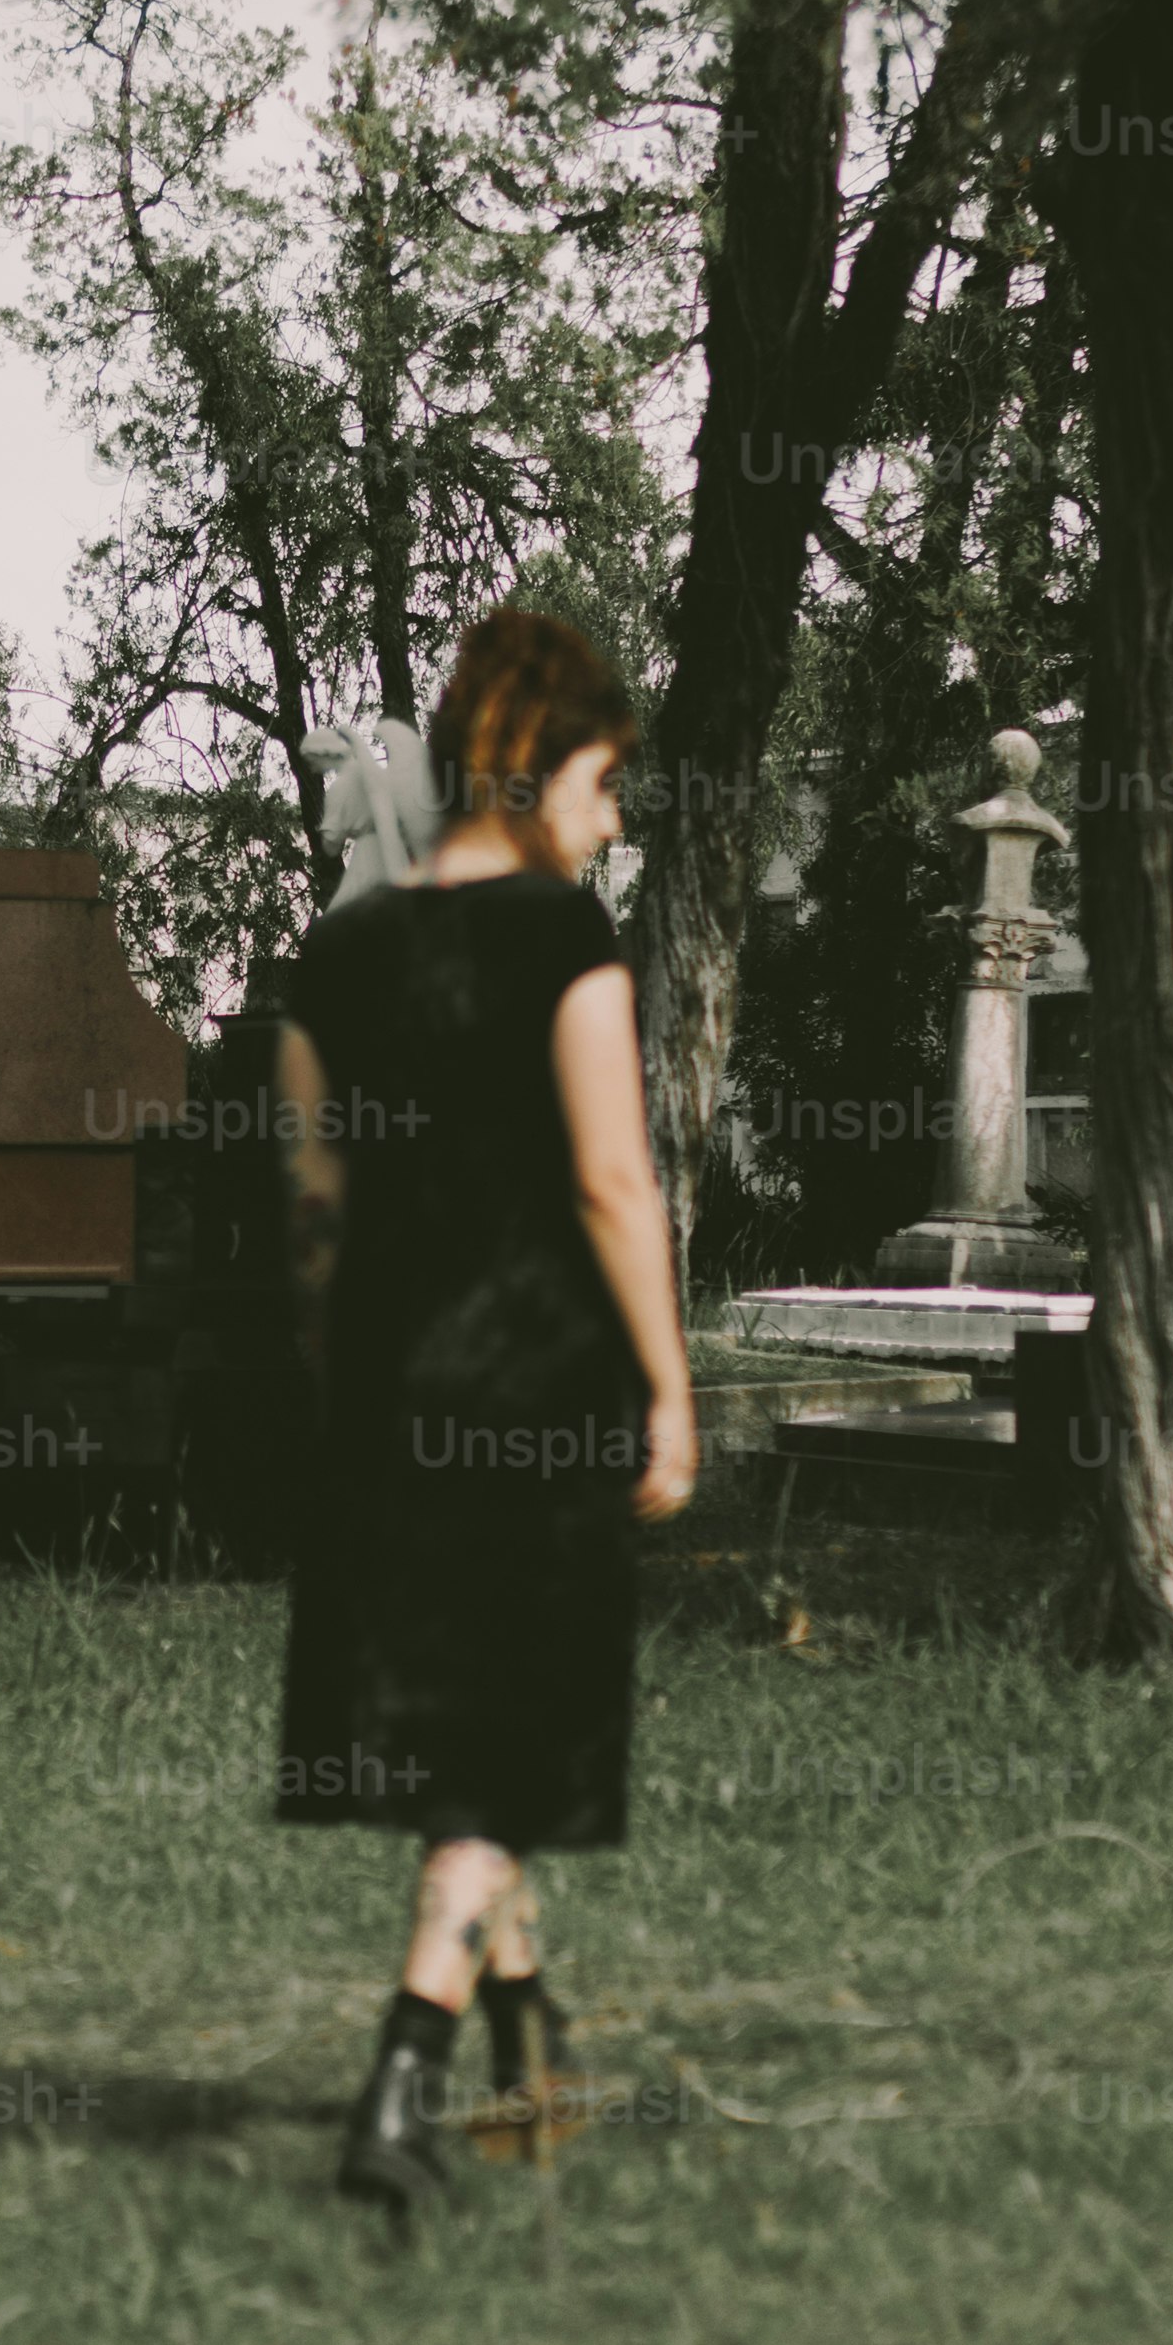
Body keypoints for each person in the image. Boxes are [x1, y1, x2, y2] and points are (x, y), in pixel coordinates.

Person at [270, 604, 702, 2217]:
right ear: (541, 769)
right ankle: (403, 2078)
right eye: (603, 784)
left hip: (388, 1386)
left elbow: (312, 1207)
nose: (613, 820)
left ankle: (529, 2032)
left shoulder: (334, 959)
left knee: (466, 1732)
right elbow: (611, 1180)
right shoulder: (560, 942)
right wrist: (667, 1388)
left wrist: (336, 1379)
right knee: (500, 1757)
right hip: (535, 1387)